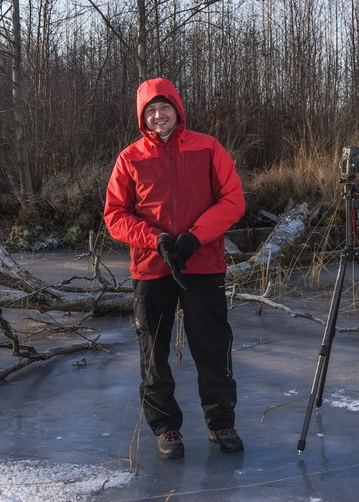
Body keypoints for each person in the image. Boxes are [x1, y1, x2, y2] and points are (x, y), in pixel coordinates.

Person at [103, 77, 246, 459]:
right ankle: (167, 428)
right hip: (152, 266)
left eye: (164, 107)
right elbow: (115, 215)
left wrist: (195, 237)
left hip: (203, 262)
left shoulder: (208, 147)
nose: (158, 115)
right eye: (150, 110)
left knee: (212, 347)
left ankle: (222, 424)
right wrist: (158, 240)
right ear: (142, 117)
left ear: (177, 110)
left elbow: (233, 200)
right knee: (154, 351)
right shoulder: (129, 157)